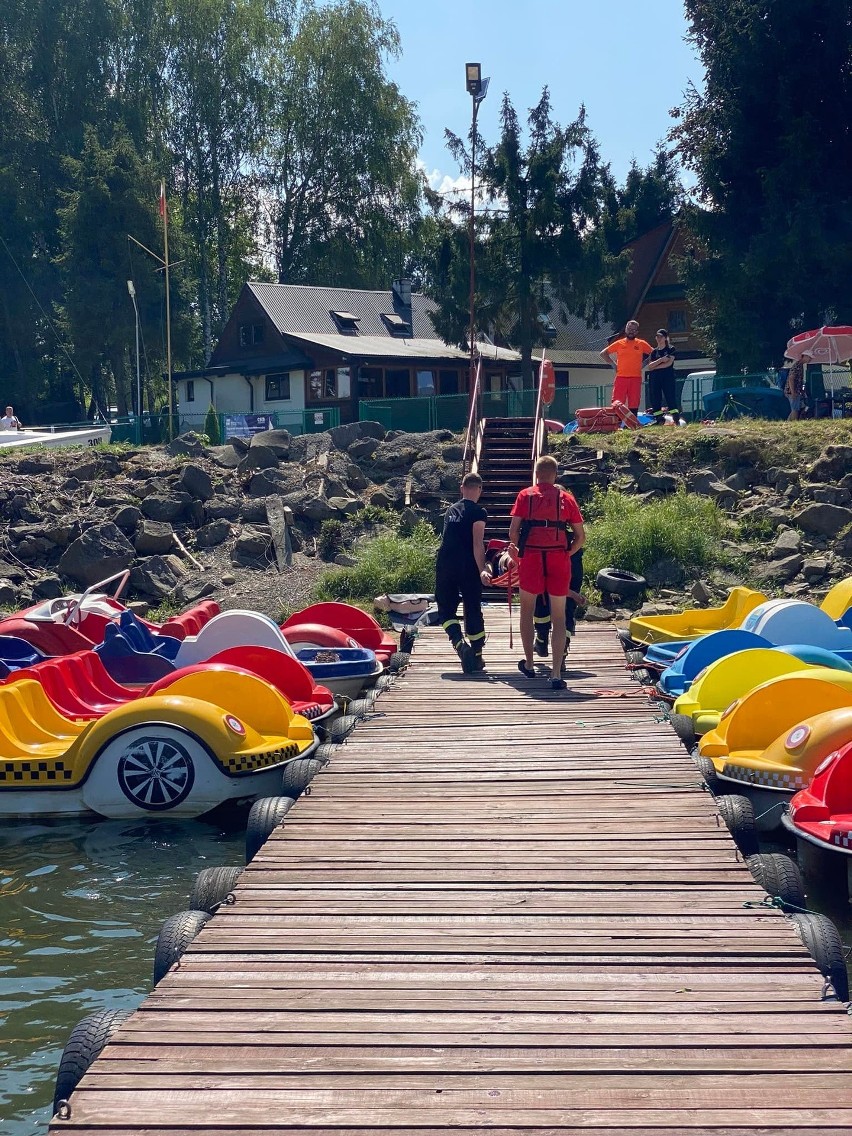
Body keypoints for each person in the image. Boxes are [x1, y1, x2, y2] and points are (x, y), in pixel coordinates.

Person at [507, 455, 585, 690]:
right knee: (559, 617)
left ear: (536, 473)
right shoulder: (567, 498)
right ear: (555, 474)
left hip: (531, 557)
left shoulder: (525, 495)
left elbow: (513, 532)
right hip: (558, 559)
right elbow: (581, 537)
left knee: (527, 612)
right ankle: (555, 673)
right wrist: (566, 553)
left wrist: (519, 554)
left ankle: (530, 664)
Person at [435, 471, 492, 674]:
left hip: (445, 562)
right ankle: (476, 656)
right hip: (467, 563)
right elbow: (478, 544)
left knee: (445, 609)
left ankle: (459, 644)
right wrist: (483, 569)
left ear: (462, 489)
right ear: (479, 489)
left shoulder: (450, 510)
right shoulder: (478, 512)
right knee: (472, 606)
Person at [599, 321, 653, 416]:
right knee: (617, 403)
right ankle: (617, 425)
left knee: (634, 402)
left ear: (636, 332)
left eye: (633, 330)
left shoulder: (641, 343)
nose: (631, 331)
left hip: (635, 378)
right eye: (629, 329)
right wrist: (613, 365)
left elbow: (655, 353)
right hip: (621, 377)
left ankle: (632, 425)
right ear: (626, 329)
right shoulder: (619, 343)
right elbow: (603, 353)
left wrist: (644, 364)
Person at [645, 329, 677, 423]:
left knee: (670, 396)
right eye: (657, 337)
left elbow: (669, 363)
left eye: (661, 337)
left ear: (665, 338)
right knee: (655, 397)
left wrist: (656, 366)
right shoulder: (654, 352)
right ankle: (659, 418)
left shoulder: (671, 349)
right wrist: (661, 360)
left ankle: (676, 418)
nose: (659, 339)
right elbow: (650, 366)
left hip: (667, 376)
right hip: (655, 378)